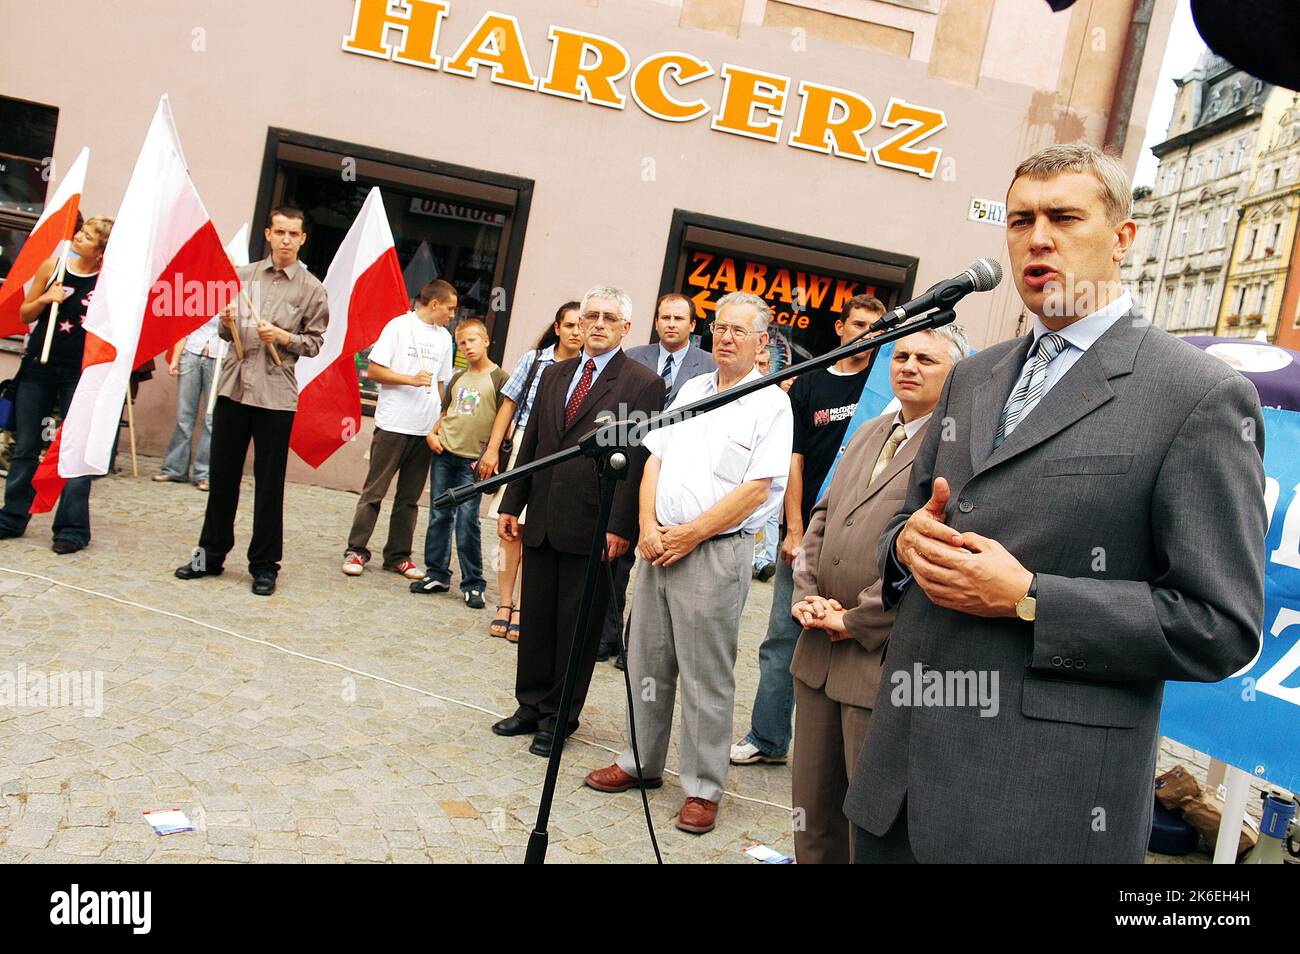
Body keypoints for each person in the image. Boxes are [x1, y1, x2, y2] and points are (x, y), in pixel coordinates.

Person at [850, 143, 1266, 864]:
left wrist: (1031, 598)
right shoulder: (972, 379)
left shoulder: (1197, 395)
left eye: (1064, 218)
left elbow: (1218, 626)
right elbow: (909, 526)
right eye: (1020, 221)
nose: (1037, 238)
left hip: (1041, 810)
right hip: (899, 788)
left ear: (1123, 238)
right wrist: (903, 548)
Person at [585, 291, 793, 835]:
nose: (724, 337)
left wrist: (693, 534)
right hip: (660, 547)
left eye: (738, 331)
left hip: (713, 552)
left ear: (761, 342)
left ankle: (703, 788)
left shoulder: (771, 403)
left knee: (706, 675)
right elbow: (654, 456)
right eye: (720, 328)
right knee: (646, 662)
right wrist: (649, 527)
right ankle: (640, 762)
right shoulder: (694, 389)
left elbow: (758, 489)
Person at [789, 324, 966, 863]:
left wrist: (856, 619)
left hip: (875, 660)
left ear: (955, 374)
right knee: (810, 811)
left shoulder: (955, 449)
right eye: (902, 355)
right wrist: (807, 592)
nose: (908, 366)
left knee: (862, 819)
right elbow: (822, 516)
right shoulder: (870, 430)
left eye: (926, 360)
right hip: (818, 650)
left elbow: (929, 554)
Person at [491, 285, 663, 758]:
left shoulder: (641, 384)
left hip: (595, 525)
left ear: (626, 328)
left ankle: (558, 717)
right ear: (579, 323)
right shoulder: (554, 374)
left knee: (577, 626)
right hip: (543, 514)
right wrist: (513, 501)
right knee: (539, 618)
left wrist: (620, 526)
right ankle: (529, 705)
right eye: (591, 316)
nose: (599, 324)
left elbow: (637, 456)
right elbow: (533, 444)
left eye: (610, 317)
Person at [731, 294, 884, 767]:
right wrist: (793, 531)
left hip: (863, 537)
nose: (868, 335)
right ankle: (768, 736)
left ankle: (838, 754)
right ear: (840, 327)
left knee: (854, 643)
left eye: (877, 328)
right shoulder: (809, 385)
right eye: (859, 324)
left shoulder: (886, 386)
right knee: (783, 636)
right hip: (809, 534)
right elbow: (791, 461)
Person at [173, 206, 329, 596]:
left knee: (269, 482)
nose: (286, 240)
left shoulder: (312, 288)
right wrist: (227, 323)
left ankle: (264, 565)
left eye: (294, 234)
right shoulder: (242, 278)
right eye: (280, 232)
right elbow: (228, 334)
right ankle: (209, 554)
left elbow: (314, 343)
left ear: (303, 238)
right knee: (222, 476)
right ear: (269, 233)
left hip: (276, 396)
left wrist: (283, 337)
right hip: (234, 388)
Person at [596, 291, 715, 663]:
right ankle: (607, 634)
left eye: (679, 319)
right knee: (617, 551)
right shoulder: (633, 358)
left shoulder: (709, 366)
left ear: (692, 326)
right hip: (629, 463)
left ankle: (635, 643)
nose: (671, 324)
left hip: (675, 467)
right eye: (665, 317)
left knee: (654, 554)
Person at [0, 216, 113, 552]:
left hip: (79, 373)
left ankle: (72, 528)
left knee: (74, 448)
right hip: (40, 367)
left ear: (101, 250)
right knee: (26, 445)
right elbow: (24, 314)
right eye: (81, 231)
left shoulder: (106, 281)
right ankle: (12, 517)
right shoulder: (54, 266)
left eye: (89, 235)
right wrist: (45, 299)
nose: (79, 236)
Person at [478, 301, 584, 640]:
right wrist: (493, 449)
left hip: (558, 451)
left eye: (580, 326)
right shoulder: (534, 361)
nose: (576, 332)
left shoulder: (587, 368)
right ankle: (504, 603)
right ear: (557, 328)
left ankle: (525, 607)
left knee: (537, 529)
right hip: (523, 443)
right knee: (510, 531)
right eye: (569, 325)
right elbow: (508, 406)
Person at [341, 279, 456, 579]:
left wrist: (441, 420)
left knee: (409, 497)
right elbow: (374, 370)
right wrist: (409, 379)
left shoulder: (445, 338)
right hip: (394, 423)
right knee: (375, 491)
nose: (452, 314)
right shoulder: (398, 327)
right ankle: (356, 549)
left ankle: (398, 555)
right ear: (434, 304)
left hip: (424, 428)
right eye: (450, 308)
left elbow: (442, 382)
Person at [409, 318, 507, 608]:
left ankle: (473, 582)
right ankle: (437, 572)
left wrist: (493, 452)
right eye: (462, 342)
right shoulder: (457, 378)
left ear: (486, 341)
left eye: (472, 340)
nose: (467, 346)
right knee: (439, 514)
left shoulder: (499, 378)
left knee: (467, 520)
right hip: (445, 453)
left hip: (473, 462)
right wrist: (432, 432)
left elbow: (505, 421)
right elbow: (448, 410)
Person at [155, 302, 222, 490]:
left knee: (211, 418)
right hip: (192, 354)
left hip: (219, 359)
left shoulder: (243, 296)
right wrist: (175, 359)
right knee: (185, 414)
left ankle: (204, 473)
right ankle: (174, 468)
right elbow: (185, 329)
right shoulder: (200, 295)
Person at [751, 347, 779, 581]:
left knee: (769, 514)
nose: (759, 368)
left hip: (770, 466)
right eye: (756, 363)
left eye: (763, 364)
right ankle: (757, 560)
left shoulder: (776, 399)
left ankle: (764, 561)